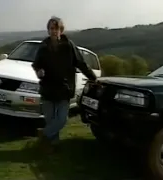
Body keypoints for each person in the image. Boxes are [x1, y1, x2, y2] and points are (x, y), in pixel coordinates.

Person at [32, 16, 97, 153]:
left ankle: (43, 134)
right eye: (51, 28)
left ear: (61, 30)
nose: (54, 31)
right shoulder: (43, 47)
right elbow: (36, 64)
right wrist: (39, 71)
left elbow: (80, 63)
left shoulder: (69, 46)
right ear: (48, 30)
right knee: (51, 120)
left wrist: (92, 77)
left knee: (61, 120)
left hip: (64, 89)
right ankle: (51, 146)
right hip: (48, 89)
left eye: (56, 28)